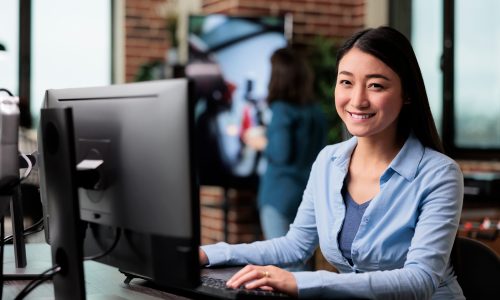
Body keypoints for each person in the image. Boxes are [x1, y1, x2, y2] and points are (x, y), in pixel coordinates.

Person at [199, 26, 465, 299]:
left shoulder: (440, 174)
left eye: (376, 85)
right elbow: (294, 247)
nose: (358, 100)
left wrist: (301, 282)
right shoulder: (329, 160)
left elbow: (420, 280)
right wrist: (211, 253)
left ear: (407, 94)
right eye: (346, 82)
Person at [243, 47, 327, 242]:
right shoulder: (316, 110)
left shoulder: (281, 109)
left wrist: (261, 141)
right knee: (303, 266)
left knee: (286, 264)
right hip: (306, 196)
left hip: (279, 197)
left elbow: (281, 153)